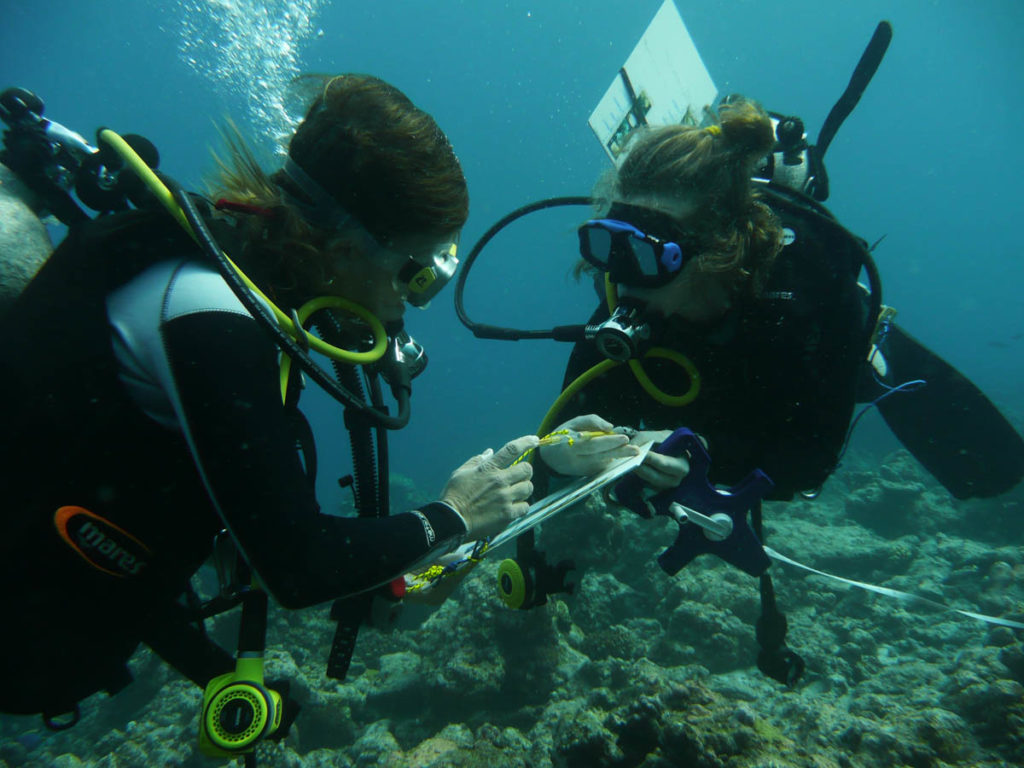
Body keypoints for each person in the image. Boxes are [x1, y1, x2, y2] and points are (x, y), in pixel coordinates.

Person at [0, 74, 602, 734]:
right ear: (345, 251)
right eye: (417, 272)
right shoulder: (211, 315)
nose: (413, 301)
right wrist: (452, 513)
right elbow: (301, 566)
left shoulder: (255, 309)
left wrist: (520, 483)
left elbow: (359, 592)